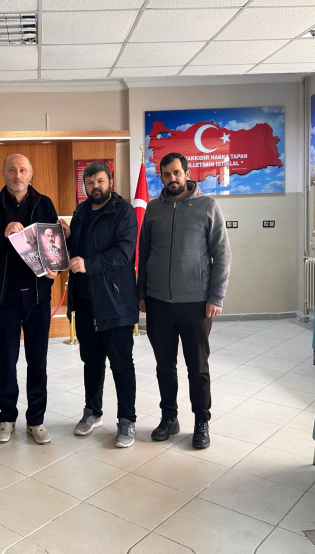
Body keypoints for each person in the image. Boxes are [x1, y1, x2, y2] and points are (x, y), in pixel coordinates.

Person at [137, 153, 231, 449]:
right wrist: (141, 293)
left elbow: (222, 254)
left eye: (176, 172)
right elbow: (144, 252)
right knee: (164, 366)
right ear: (161, 177)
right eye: (166, 174)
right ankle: (169, 418)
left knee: (197, 367)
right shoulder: (153, 208)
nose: (172, 178)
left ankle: (201, 421)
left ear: (187, 173)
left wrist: (216, 296)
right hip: (157, 302)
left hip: (196, 302)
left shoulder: (207, 206)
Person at [0, 153, 59, 445]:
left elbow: (54, 246)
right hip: (4, 297)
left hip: (38, 297)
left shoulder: (44, 203)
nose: (17, 175)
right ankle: (7, 418)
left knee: (38, 362)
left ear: (31, 174)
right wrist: (3, 233)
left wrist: (55, 268)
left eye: (22, 170)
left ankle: (36, 421)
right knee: (7, 363)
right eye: (12, 170)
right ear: (4, 174)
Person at [61, 162, 139, 448]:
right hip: (85, 302)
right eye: (91, 182)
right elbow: (77, 253)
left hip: (115, 302)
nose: (96, 186)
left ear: (110, 182)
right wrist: (67, 238)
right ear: (84, 184)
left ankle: (127, 420)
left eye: (101, 181)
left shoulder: (123, 211)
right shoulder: (80, 212)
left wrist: (89, 264)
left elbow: (124, 252)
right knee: (91, 362)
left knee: (121, 364)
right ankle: (92, 412)